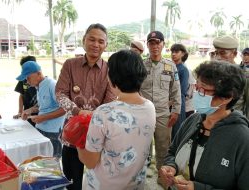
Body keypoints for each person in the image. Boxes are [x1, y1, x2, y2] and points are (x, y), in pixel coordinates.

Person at [160, 60, 249, 190]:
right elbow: (172, 151)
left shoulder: (242, 139)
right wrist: (170, 165)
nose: (197, 94)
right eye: (197, 87)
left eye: (204, 90)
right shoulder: (194, 120)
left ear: (227, 97)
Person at [76, 49, 156, 190]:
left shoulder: (104, 112)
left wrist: (77, 140)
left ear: (112, 78)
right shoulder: (149, 107)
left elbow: (90, 162)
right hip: (135, 184)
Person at [55, 23, 116, 190]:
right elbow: (60, 93)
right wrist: (77, 111)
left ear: (106, 45)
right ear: (84, 41)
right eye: (92, 39)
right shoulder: (70, 65)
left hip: (99, 133)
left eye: (100, 41)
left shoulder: (111, 70)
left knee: (96, 179)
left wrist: (91, 117)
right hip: (71, 133)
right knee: (71, 179)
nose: (96, 44)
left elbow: (110, 101)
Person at [140, 30, 181, 185]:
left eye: (158, 43)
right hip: (143, 115)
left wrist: (176, 111)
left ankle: (162, 178)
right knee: (142, 146)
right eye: (151, 43)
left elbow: (176, 91)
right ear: (148, 45)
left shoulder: (170, 66)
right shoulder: (142, 65)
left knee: (163, 147)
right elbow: (136, 89)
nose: (155, 46)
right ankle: (141, 176)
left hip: (164, 114)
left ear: (163, 44)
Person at [16, 61, 66, 158]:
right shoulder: (38, 86)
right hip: (41, 128)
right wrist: (29, 110)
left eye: (28, 77)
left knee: (52, 162)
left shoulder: (52, 85)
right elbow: (42, 105)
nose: (27, 81)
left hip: (52, 132)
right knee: (41, 161)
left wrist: (43, 117)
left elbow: (64, 109)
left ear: (39, 73)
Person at [170, 43, 189, 140]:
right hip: (167, 104)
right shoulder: (170, 67)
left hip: (178, 104)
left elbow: (182, 90)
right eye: (172, 52)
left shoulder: (183, 69)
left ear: (183, 54)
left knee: (176, 133)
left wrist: (171, 101)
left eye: (176, 52)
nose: (173, 54)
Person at [13, 55, 38, 126]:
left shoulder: (41, 83)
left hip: (39, 115)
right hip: (27, 113)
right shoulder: (23, 80)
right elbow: (21, 95)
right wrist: (20, 112)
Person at [238, 47, 249, 119]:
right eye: (244, 55)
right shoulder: (237, 69)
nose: (246, 58)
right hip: (240, 100)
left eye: (248, 56)